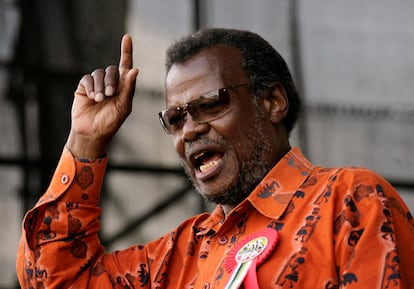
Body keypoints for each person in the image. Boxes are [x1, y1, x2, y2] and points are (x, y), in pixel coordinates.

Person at [16, 28, 414, 289]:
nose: (189, 130)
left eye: (209, 105)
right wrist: (85, 142)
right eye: (175, 118)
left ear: (272, 102)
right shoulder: (179, 256)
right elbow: (52, 281)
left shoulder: (350, 200)